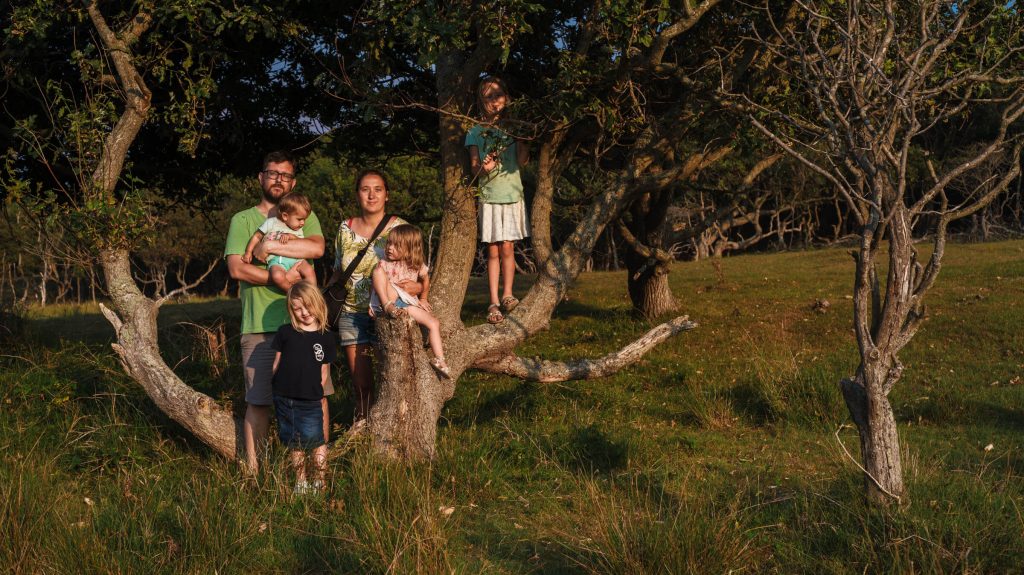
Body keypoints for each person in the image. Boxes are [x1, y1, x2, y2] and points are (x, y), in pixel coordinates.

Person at [224, 150, 329, 473]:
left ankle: (319, 469)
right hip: (260, 324)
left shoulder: (304, 213)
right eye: (272, 173)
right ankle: (255, 471)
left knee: (317, 396)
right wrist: (277, 275)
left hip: (304, 324)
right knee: (258, 400)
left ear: (293, 181)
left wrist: (267, 249)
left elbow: (316, 248)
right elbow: (236, 270)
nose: (278, 180)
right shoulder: (242, 220)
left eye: (285, 175)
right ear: (261, 177)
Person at [333, 169, 422, 433]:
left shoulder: (400, 227)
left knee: (393, 378)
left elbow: (418, 269)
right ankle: (362, 431)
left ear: (387, 195)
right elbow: (338, 270)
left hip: (391, 313)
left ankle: (395, 433)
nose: (371, 195)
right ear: (357, 194)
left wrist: (417, 287)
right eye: (365, 189)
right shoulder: (344, 228)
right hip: (352, 313)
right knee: (361, 382)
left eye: (378, 189)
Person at [465, 75, 530, 324]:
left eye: (497, 95)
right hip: (490, 197)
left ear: (506, 97)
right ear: (481, 101)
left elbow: (522, 162)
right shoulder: (475, 131)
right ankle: (492, 301)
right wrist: (485, 167)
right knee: (492, 249)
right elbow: (474, 169)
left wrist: (524, 143)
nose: (494, 101)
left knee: (508, 247)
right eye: (488, 96)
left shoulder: (514, 128)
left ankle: (508, 294)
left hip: (513, 195)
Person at [271, 282, 336, 494]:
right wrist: (277, 386)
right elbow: (276, 363)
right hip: (284, 397)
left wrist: (316, 390)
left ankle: (319, 480)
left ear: (317, 303)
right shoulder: (285, 332)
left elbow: (324, 370)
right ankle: (300, 482)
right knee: (294, 442)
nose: (304, 312)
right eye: (297, 309)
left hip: (310, 399)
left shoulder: (325, 336)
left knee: (317, 439)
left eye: (307, 306)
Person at [370, 224, 450, 377]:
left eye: (396, 245)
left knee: (434, 323)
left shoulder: (416, 265)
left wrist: (424, 298)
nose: (390, 248)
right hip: (389, 299)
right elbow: (376, 285)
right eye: (389, 243)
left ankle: (440, 360)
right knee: (378, 272)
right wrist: (373, 304)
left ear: (410, 248)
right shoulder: (384, 264)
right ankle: (387, 306)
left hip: (405, 303)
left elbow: (426, 280)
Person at [241, 192, 318, 291]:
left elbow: (302, 243)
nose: (303, 223)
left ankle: (313, 295)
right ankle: (293, 292)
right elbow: (256, 236)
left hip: (297, 259)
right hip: (277, 261)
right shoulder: (271, 223)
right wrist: (248, 252)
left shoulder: (297, 229)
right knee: (277, 276)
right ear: (285, 216)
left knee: (309, 271)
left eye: (304, 219)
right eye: (299, 219)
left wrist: (292, 237)